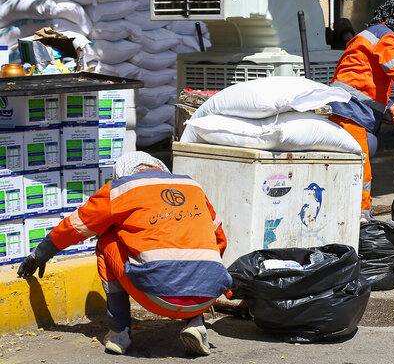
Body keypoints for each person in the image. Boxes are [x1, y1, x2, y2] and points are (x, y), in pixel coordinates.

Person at [17, 152, 232, 356]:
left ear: (123, 173)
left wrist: (40, 254)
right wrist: (202, 278)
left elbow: (75, 226)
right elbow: (220, 239)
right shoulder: (191, 185)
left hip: (158, 296)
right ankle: (196, 324)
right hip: (206, 295)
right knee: (194, 248)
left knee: (106, 239)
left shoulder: (121, 188)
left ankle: (119, 333)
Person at [329, 0, 394, 221]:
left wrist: (388, 106)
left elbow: (364, 81)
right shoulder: (386, 36)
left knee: (351, 166)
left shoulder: (370, 34)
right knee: (360, 169)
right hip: (349, 113)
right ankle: (360, 222)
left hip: (346, 109)